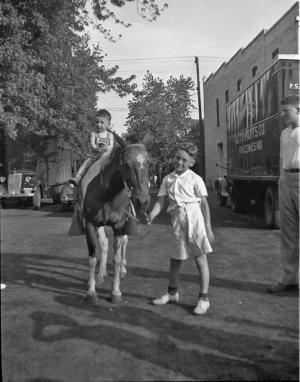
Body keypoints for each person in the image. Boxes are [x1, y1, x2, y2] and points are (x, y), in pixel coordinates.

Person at [147, 142, 214, 315]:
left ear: (191, 162)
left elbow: (204, 204)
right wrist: (152, 215)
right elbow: (161, 202)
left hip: (194, 219)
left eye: (184, 160)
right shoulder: (167, 179)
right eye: (177, 158)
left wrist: (208, 227)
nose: (179, 162)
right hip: (176, 219)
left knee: (200, 258)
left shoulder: (195, 178)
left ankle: (204, 298)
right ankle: (172, 293)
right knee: (175, 259)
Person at [268, 95, 299, 293]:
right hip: (286, 180)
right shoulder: (284, 133)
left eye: (287, 111)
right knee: (288, 233)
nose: (283, 114)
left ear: (299, 109)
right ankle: (289, 278)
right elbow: (282, 159)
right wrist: (281, 179)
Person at [69, 109, 114, 186]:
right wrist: (97, 148)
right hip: (95, 157)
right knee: (86, 163)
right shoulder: (94, 134)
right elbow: (93, 145)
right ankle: (78, 177)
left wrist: (106, 147)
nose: (99, 124)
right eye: (97, 122)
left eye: (102, 122)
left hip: (106, 157)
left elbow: (111, 146)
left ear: (108, 124)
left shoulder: (110, 135)